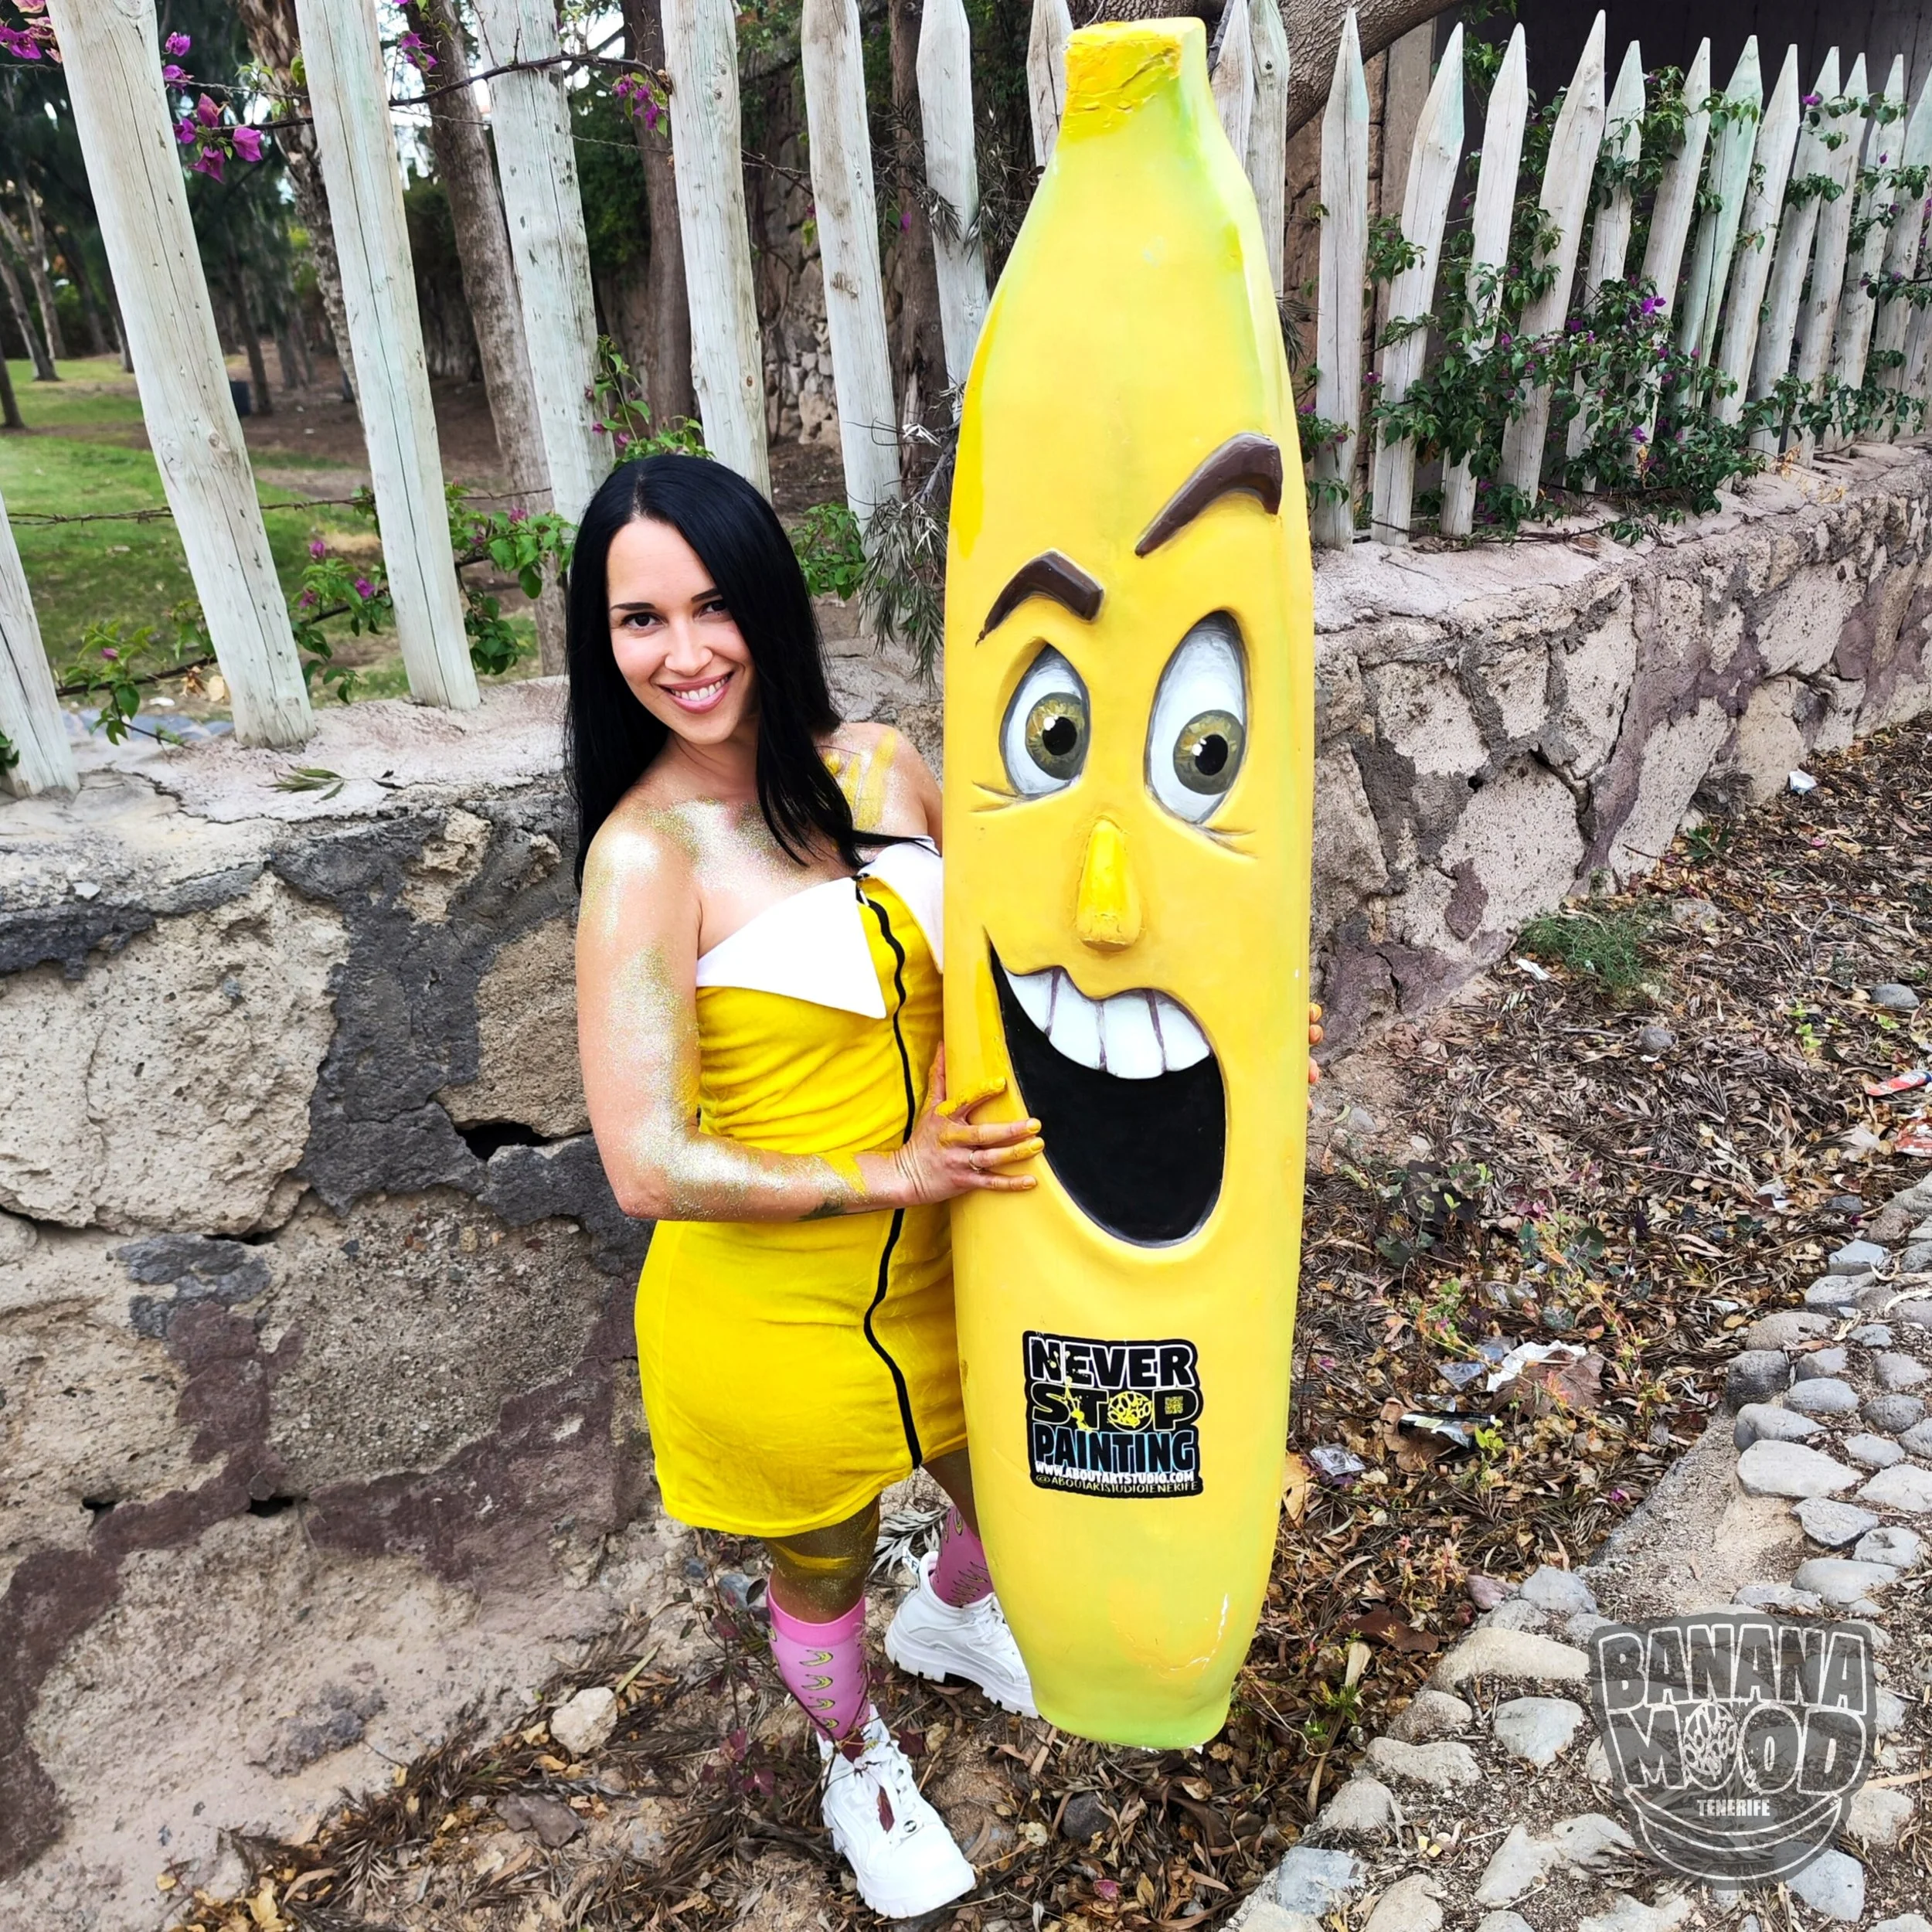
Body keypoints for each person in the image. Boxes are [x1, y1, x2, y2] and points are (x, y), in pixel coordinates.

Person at [570, 454, 1042, 1920]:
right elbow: (646, 1164)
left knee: (1011, 1496)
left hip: (966, 1263)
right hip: (773, 1314)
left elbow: (1009, 964)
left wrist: (1208, 1025)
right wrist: (892, 1168)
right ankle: (858, 1758)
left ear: (771, 604)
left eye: (715, 605)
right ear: (602, 642)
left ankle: (959, 1618)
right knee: (826, 1561)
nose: (687, 652)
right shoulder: (645, 859)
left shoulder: (880, 765)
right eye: (639, 620)